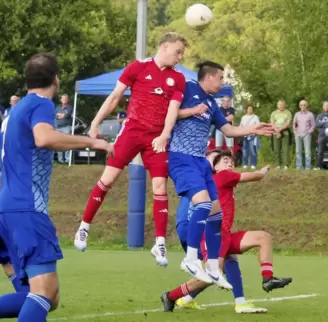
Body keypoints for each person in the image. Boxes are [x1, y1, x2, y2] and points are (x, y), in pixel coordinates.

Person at [0, 53, 112, 321]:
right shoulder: (40, 103)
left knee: (47, 297)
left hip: (7, 208)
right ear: (56, 80)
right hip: (26, 208)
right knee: (45, 293)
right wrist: (93, 142)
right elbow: (44, 137)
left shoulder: (13, 112)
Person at [73, 32, 189, 267]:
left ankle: (159, 243)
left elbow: (173, 110)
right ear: (165, 47)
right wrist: (95, 124)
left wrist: (164, 136)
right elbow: (115, 97)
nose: (180, 57)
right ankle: (84, 227)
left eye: (182, 54)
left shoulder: (178, 78)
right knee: (109, 178)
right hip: (132, 133)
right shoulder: (137, 67)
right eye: (178, 52)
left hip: (156, 138)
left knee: (159, 186)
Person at [166, 60, 274, 288]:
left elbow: (227, 129)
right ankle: (191, 259)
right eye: (221, 77)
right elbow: (169, 115)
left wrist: (251, 129)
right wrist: (192, 111)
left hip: (200, 162)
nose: (223, 82)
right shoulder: (186, 88)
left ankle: (213, 266)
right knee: (204, 205)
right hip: (181, 157)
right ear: (209, 77)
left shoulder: (213, 104)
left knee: (216, 213)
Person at [162, 151, 291, 313]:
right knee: (211, 275)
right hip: (214, 235)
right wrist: (262, 172)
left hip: (225, 234)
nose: (230, 163)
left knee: (263, 238)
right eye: (225, 160)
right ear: (215, 167)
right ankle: (171, 296)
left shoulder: (220, 181)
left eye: (232, 161)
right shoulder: (222, 176)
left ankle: (268, 279)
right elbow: (254, 177)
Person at [293, 100, 315, 170]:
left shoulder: (310, 114)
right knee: (298, 151)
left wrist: (309, 132)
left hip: (307, 134)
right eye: (301, 105)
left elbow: (313, 125)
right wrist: (295, 132)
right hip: (298, 134)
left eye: (304, 105)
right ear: (299, 106)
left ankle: (307, 166)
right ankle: (299, 166)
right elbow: (294, 124)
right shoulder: (297, 114)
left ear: (307, 106)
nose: (303, 106)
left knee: (307, 151)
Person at [314, 101, 328, 170]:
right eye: (325, 106)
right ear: (323, 107)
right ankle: (319, 166)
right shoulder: (320, 115)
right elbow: (317, 124)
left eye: (327, 106)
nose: (326, 107)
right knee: (320, 151)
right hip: (321, 135)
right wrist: (326, 123)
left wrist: (322, 123)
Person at [270, 100, 292, 169]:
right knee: (276, 149)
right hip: (276, 132)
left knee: (285, 149)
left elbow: (288, 123)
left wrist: (281, 129)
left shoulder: (288, 113)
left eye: (282, 104)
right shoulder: (274, 113)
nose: (281, 106)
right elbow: (272, 123)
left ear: (284, 105)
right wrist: (277, 130)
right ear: (277, 105)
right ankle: (278, 164)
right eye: (280, 104)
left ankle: (286, 164)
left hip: (285, 132)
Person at [240, 104, 260, 169]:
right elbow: (241, 126)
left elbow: (258, 125)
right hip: (245, 136)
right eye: (249, 109)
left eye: (251, 109)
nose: (250, 110)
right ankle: (245, 164)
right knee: (245, 150)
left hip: (252, 136)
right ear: (247, 110)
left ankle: (253, 164)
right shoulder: (243, 117)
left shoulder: (255, 117)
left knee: (252, 150)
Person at [55, 94, 73, 164]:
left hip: (66, 127)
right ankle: (60, 159)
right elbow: (55, 115)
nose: (64, 100)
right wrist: (62, 115)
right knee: (59, 143)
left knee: (66, 143)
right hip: (58, 127)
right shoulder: (58, 107)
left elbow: (67, 115)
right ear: (61, 100)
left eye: (65, 98)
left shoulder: (69, 107)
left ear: (67, 100)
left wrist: (62, 115)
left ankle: (67, 159)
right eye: (63, 98)